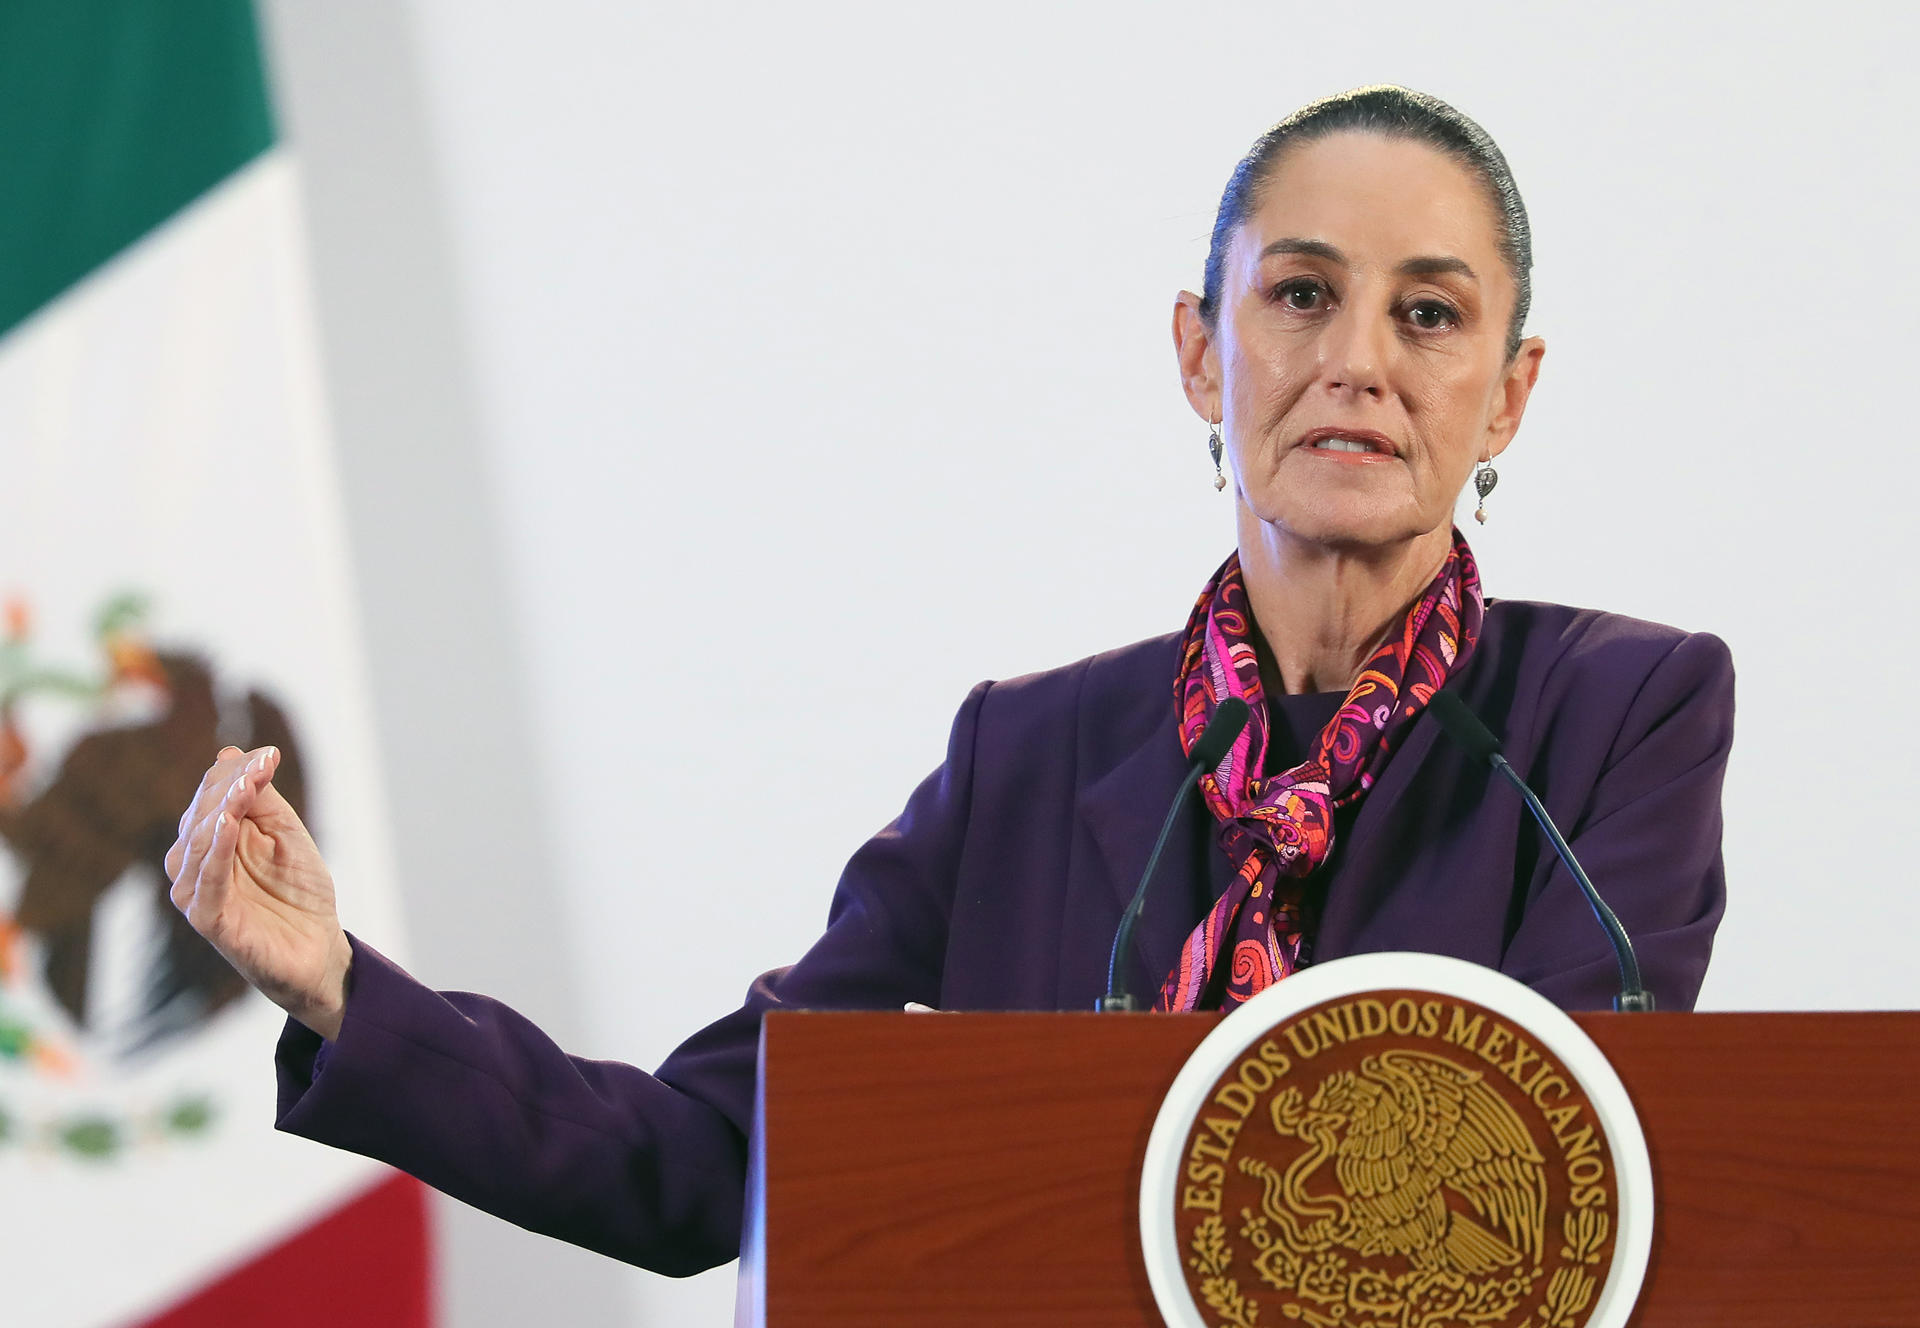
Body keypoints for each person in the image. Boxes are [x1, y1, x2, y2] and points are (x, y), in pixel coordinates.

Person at [165, 86, 1732, 1276]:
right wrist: (342, 989)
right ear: (1202, 352)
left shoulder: (1618, 718)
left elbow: (1550, 1173)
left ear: (1510, 393)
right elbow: (707, 1156)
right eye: (1302, 294)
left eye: (1432, 316)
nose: (1361, 362)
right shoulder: (1031, 758)